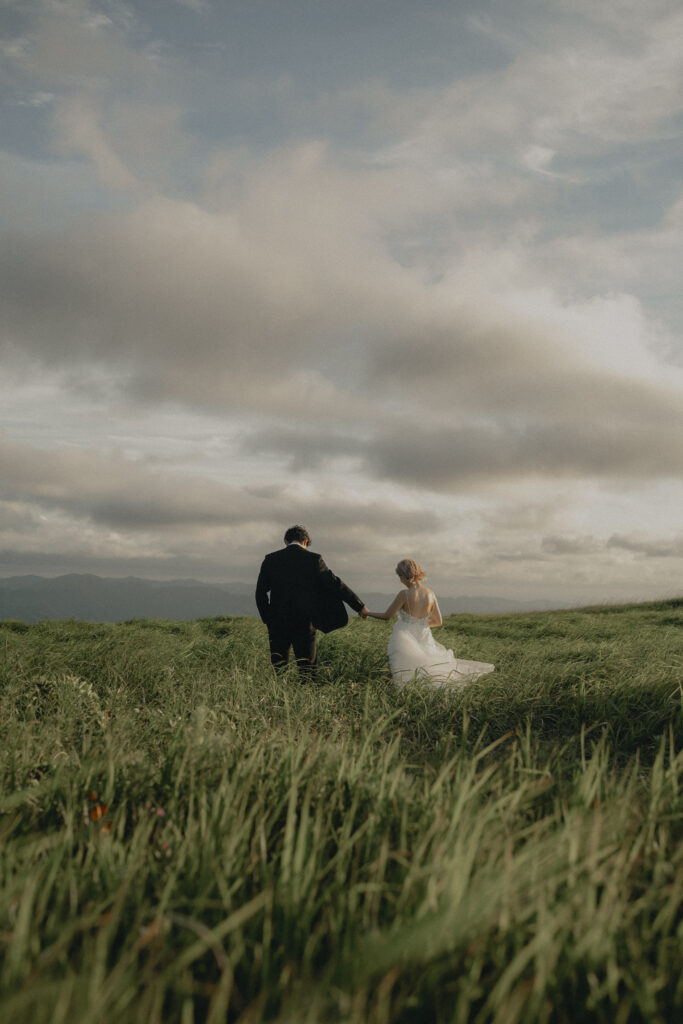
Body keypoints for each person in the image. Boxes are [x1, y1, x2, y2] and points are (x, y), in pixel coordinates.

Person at [256, 525, 369, 679]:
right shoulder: (314, 559)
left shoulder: (271, 559)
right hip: (305, 622)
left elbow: (260, 593)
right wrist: (359, 606)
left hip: (277, 622)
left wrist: (268, 618)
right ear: (306, 541)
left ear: (285, 541)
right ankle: (304, 699)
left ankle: (278, 699)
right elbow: (336, 584)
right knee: (308, 672)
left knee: (279, 669)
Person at [363, 558, 494, 690]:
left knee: (402, 669)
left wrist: (366, 613)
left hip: (404, 636)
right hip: (424, 635)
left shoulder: (404, 594)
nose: (400, 580)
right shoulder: (431, 594)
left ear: (404, 576)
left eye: (400, 576)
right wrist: (420, 625)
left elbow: (386, 616)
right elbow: (438, 621)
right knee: (426, 667)